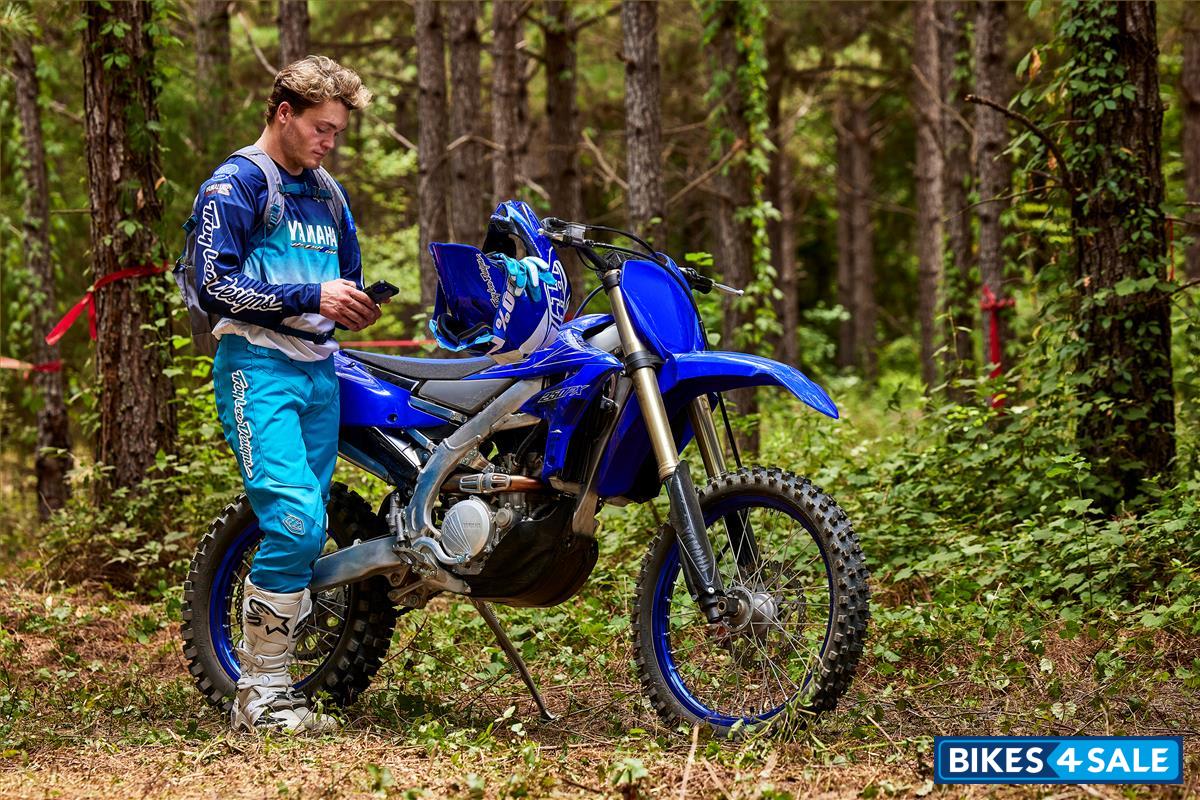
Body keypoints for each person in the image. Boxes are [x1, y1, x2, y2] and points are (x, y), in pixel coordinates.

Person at [192, 56, 383, 733]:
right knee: (298, 519)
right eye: (321, 128)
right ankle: (258, 695)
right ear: (283, 113)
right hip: (258, 366)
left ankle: (278, 689)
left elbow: (343, 277)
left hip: (320, 372)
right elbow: (212, 287)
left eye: (337, 132)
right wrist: (310, 296)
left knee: (310, 524)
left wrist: (351, 305)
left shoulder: (329, 194)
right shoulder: (237, 185)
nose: (330, 142)